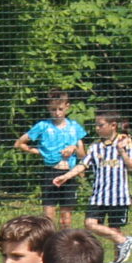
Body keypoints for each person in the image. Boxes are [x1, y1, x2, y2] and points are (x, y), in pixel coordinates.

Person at [57, 110, 132, 262]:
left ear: (113, 125)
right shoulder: (96, 147)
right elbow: (84, 164)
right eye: (96, 125)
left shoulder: (125, 142)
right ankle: (124, 241)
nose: (97, 128)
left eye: (100, 125)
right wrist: (66, 176)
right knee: (90, 223)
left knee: (115, 229)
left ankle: (119, 261)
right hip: (99, 195)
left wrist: (121, 151)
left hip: (118, 196)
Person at [18, 91, 87, 227]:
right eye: (53, 109)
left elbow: (82, 156)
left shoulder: (74, 127)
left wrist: (74, 147)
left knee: (66, 218)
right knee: (48, 216)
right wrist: (41, 152)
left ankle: (64, 244)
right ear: (48, 108)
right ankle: (48, 243)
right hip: (50, 172)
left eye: (60, 109)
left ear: (67, 107)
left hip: (69, 173)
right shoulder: (43, 126)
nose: (57, 113)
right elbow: (20, 143)